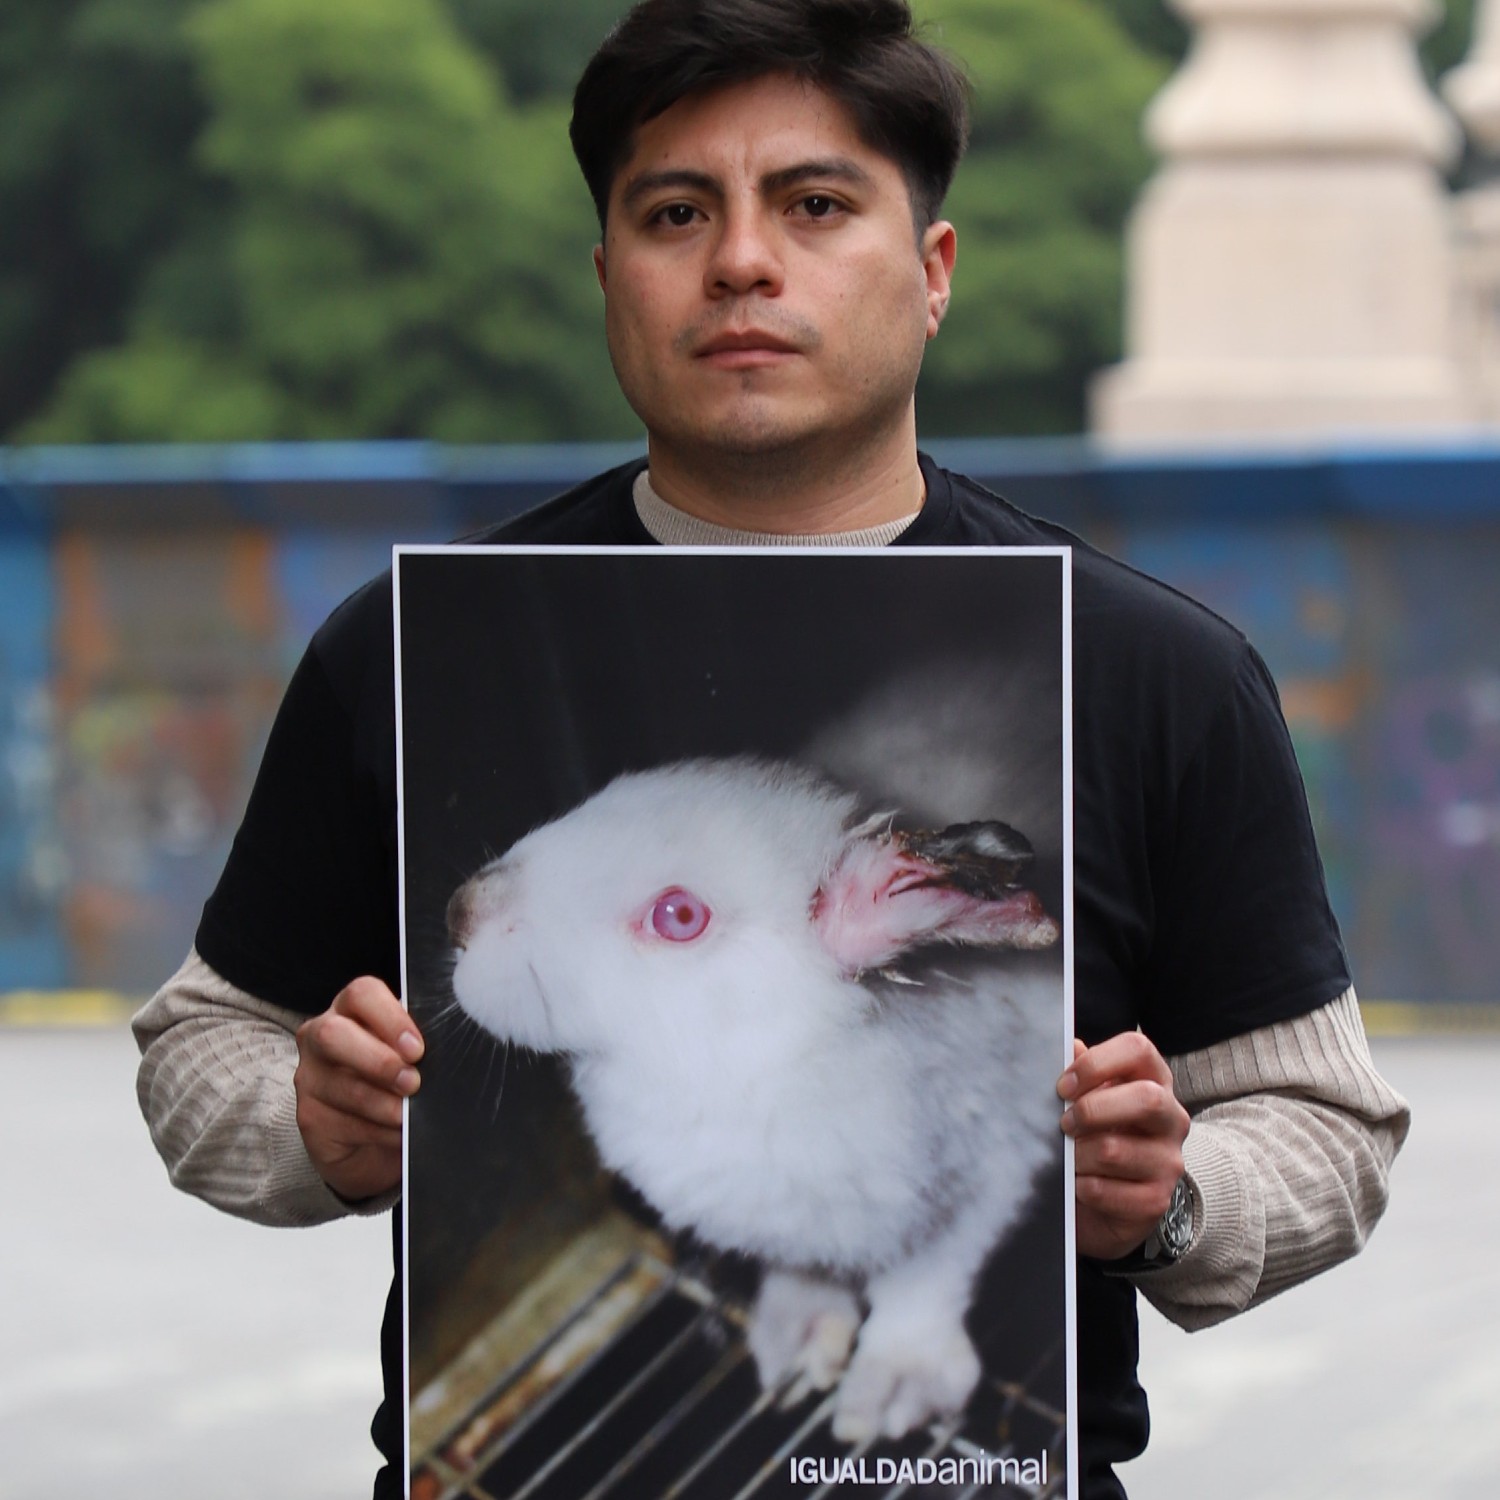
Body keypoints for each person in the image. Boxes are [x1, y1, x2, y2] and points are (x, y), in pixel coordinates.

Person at [132, 2, 1410, 1496]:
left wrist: (1169, 1202)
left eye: (815, 205)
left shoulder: (1154, 671)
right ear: (609, 276)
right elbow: (202, 1042)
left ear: (932, 273)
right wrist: (311, 1130)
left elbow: (1328, 1127)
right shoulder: (411, 651)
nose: (744, 261)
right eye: (677, 212)